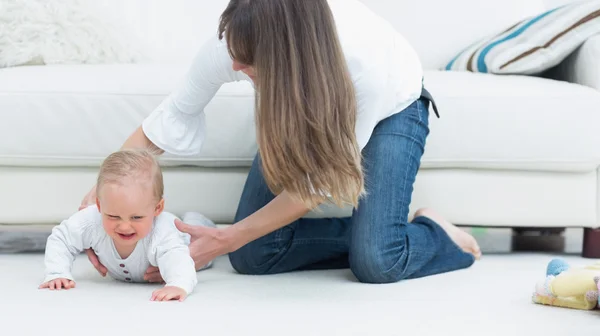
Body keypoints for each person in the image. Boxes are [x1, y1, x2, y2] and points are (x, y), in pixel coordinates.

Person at [81, 0, 481, 284]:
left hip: (395, 107)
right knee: (252, 255)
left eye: (248, 62)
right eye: (234, 53)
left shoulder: (366, 71)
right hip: (307, 104)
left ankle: (430, 234)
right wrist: (98, 201)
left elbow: (317, 183)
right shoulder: (236, 45)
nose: (236, 67)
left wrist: (225, 237)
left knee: (378, 261)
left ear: (287, 59)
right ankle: (378, 230)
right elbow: (168, 121)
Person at [41, 149, 215, 301]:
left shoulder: (163, 233)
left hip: (184, 237)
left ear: (157, 208)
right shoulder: (91, 220)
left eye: (137, 217)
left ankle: (199, 221)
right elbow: (61, 238)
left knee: (196, 239)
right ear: (100, 206)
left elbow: (179, 260)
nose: (124, 227)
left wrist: (178, 284)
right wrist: (57, 273)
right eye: (114, 216)